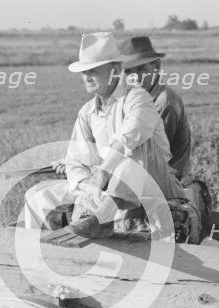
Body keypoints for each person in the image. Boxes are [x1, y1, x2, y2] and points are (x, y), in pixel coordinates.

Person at [24, 32, 185, 239]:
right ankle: (33, 254)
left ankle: (99, 218)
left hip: (154, 184)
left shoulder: (138, 98)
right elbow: (76, 161)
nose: (87, 77)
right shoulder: (87, 112)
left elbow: (129, 137)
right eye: (84, 72)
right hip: (110, 188)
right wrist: (87, 185)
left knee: (129, 157)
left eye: (94, 71)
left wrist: (102, 173)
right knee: (38, 195)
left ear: (116, 70)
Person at [118, 36, 192, 182]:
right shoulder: (136, 99)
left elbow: (150, 153)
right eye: (128, 71)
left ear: (156, 66)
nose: (135, 77)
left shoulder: (163, 102)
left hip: (168, 179)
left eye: (141, 69)